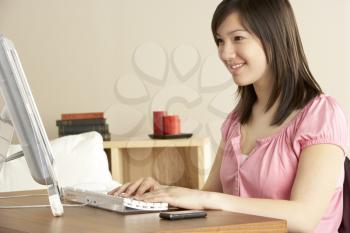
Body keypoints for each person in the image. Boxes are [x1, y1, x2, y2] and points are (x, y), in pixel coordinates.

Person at [109, 0, 349, 232]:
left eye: (238, 38)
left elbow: (305, 217)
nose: (225, 53)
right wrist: (163, 194)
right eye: (219, 41)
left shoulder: (321, 115)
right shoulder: (237, 120)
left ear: (274, 38)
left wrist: (208, 199)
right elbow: (208, 198)